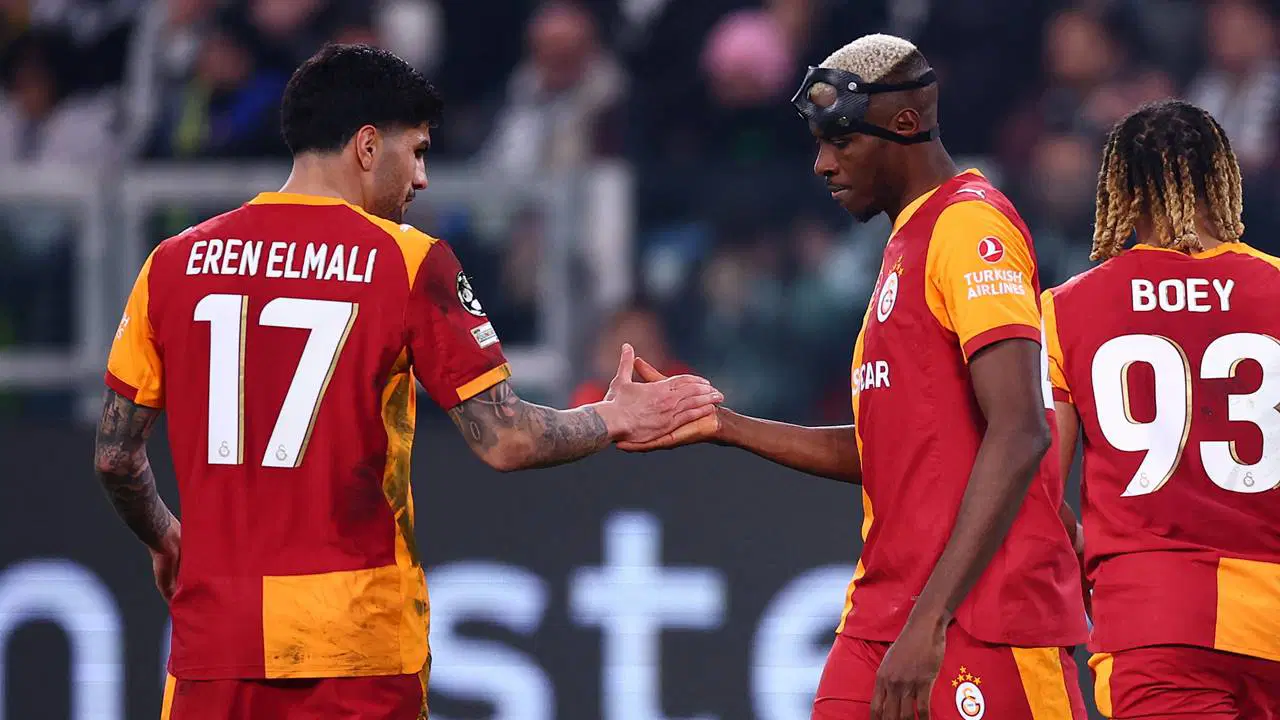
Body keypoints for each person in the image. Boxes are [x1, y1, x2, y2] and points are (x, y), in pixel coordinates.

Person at [92, 43, 722, 720]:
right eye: (416, 151)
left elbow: (116, 457)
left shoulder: (173, 263)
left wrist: (166, 536)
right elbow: (506, 439)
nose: (421, 178)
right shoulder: (407, 262)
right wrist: (613, 416)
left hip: (213, 649)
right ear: (368, 146)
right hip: (353, 649)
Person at [623, 34, 1088, 719]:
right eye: (820, 143)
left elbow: (1021, 431)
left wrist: (929, 621)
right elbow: (896, 448)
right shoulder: (907, 242)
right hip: (886, 614)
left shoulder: (969, 228)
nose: (822, 163)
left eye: (841, 141)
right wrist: (722, 425)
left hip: (980, 621)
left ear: (905, 124)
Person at [1043, 100, 1280, 719]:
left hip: (1154, 621)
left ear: (1121, 190)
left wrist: (1090, 555)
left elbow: (1037, 486)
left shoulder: (1066, 309)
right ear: (1222, 177)